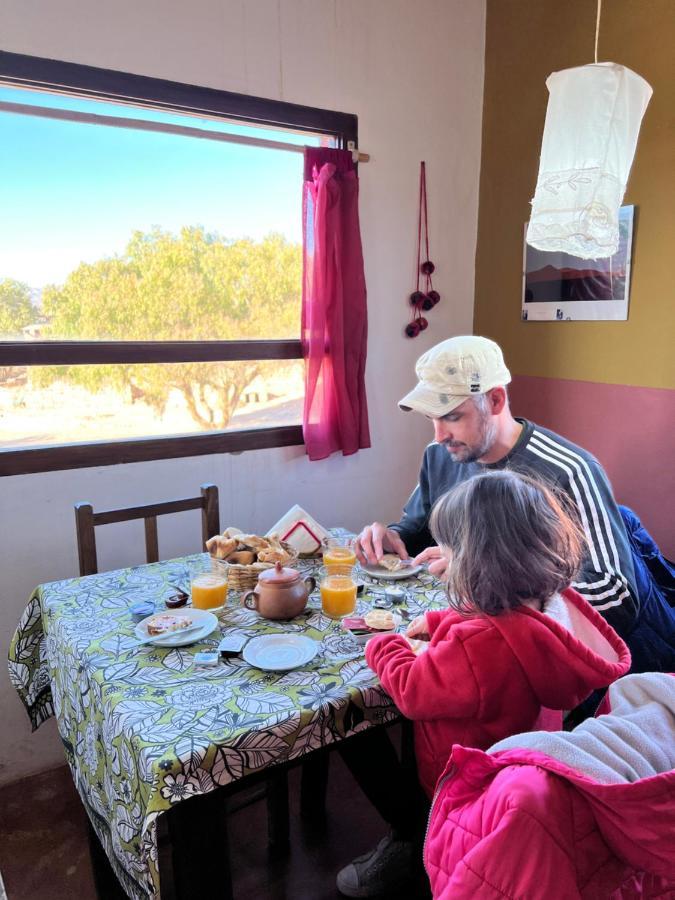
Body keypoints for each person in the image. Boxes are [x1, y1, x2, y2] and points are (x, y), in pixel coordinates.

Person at [336, 470, 630, 898]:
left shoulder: (476, 645)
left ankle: (415, 849)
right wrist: (438, 620)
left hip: (465, 783)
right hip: (518, 768)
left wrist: (385, 645)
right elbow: (495, 623)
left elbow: (414, 690)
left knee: (355, 729)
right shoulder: (543, 611)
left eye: (451, 551)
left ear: (480, 562)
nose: (444, 559)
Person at [356, 334, 639, 641]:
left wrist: (488, 576)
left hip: (549, 655)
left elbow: (618, 597)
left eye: (452, 417)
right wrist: (392, 539)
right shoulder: (439, 455)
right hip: (464, 629)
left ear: (495, 400)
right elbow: (420, 531)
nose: (439, 435)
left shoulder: (568, 470)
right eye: (431, 418)